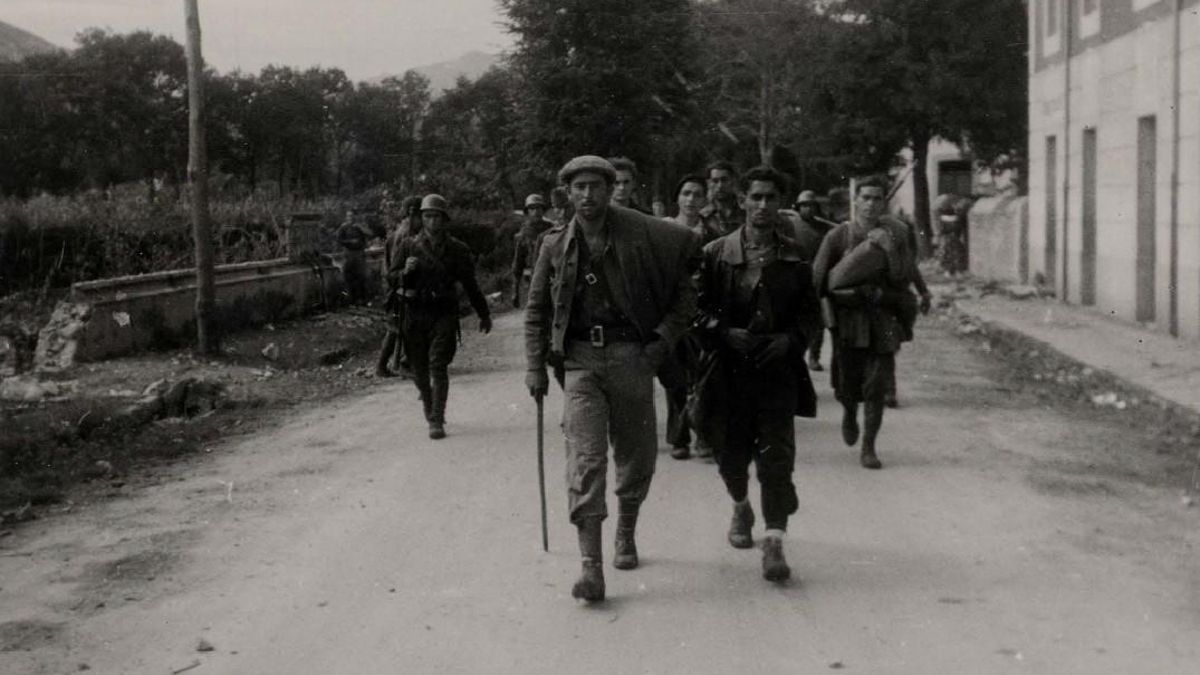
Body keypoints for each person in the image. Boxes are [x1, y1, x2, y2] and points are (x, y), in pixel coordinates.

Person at [525, 155, 697, 603]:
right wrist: (533, 366)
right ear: (567, 193)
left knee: (636, 455)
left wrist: (660, 342)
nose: (588, 195)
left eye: (596, 186)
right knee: (585, 458)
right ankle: (591, 567)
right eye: (579, 187)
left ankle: (625, 530)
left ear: (609, 188)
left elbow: (686, 286)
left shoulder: (644, 235)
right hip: (579, 361)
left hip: (630, 357)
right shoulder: (553, 244)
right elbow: (537, 311)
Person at [693, 166, 820, 583]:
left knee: (776, 459)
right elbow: (694, 312)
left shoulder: (796, 257)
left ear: (779, 202)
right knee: (730, 457)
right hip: (728, 374)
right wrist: (723, 333)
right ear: (743, 201)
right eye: (756, 197)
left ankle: (774, 542)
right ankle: (741, 506)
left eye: (770, 197)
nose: (763, 205)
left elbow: (810, 317)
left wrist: (790, 341)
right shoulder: (715, 254)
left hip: (776, 374)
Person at [812, 177, 926, 470]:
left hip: (883, 315)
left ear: (883, 203)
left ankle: (869, 446)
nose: (871, 204)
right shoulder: (838, 236)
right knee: (846, 384)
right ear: (856, 201)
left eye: (877, 199)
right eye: (866, 198)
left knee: (877, 384)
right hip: (849, 319)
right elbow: (818, 280)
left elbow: (904, 275)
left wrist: (888, 251)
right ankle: (849, 412)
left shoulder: (897, 235)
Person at [390, 194, 492, 440]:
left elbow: (470, 285)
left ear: (444, 219)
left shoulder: (458, 250)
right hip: (415, 312)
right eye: (427, 216)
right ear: (422, 219)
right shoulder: (408, 246)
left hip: (444, 311)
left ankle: (436, 418)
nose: (432, 221)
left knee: (438, 364)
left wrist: (484, 314)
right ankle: (429, 406)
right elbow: (391, 277)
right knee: (419, 368)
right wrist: (405, 271)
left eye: (437, 216)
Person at [664, 174, 721, 461]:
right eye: (686, 193)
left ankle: (704, 435)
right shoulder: (662, 229)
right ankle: (679, 437)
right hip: (672, 312)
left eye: (697, 194)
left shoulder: (712, 233)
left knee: (704, 375)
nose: (690, 199)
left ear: (704, 199)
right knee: (675, 376)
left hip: (703, 312)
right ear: (677, 197)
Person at [787, 190, 839, 371]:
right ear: (798, 207)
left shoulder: (825, 229)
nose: (807, 209)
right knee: (795, 321)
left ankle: (814, 357)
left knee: (818, 322)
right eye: (804, 206)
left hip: (820, 278)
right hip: (795, 278)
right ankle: (796, 355)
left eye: (811, 206)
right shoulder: (790, 226)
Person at [375, 196, 422, 378]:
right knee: (403, 325)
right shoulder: (405, 235)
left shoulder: (399, 232)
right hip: (398, 287)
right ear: (413, 214)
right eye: (421, 216)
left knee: (396, 327)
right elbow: (397, 265)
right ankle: (404, 363)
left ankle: (384, 366)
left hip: (393, 285)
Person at [511, 193, 554, 308]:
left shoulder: (553, 229)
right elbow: (517, 264)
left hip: (552, 277)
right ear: (527, 211)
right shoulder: (522, 235)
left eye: (539, 208)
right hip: (532, 280)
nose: (536, 211)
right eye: (532, 208)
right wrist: (515, 291)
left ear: (543, 210)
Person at [335, 209, 371, 305]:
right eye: (348, 216)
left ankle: (362, 299)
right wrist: (350, 242)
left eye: (352, 216)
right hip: (348, 254)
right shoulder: (344, 227)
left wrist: (361, 228)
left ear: (356, 217)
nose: (350, 218)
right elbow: (339, 240)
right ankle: (351, 299)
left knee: (361, 276)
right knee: (348, 276)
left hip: (359, 253)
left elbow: (370, 234)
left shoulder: (360, 226)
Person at [700, 161, 744, 237]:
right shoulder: (702, 216)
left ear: (733, 181)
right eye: (715, 181)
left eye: (724, 180)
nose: (720, 186)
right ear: (708, 183)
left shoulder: (745, 210)